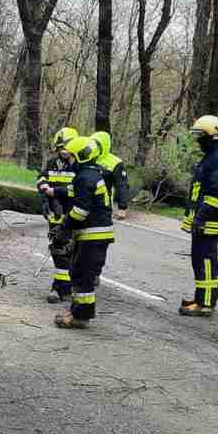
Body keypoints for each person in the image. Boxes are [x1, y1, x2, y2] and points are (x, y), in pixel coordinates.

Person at [42, 136, 114, 330]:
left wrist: (64, 229)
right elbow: (72, 192)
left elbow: (80, 212)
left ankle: (79, 317)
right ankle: (79, 312)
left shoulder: (84, 177)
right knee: (79, 274)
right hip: (95, 234)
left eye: (71, 156)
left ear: (80, 157)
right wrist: (54, 192)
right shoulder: (90, 174)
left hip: (92, 235)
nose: (69, 160)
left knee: (82, 276)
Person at [179, 115, 218, 318]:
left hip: (210, 219)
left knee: (206, 260)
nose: (197, 140)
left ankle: (206, 303)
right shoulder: (213, 155)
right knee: (199, 259)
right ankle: (201, 298)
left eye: (199, 136)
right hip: (203, 219)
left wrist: (201, 217)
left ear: (210, 136)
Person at [37, 126, 77, 303]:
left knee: (71, 250)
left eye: (66, 147)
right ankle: (60, 287)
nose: (63, 151)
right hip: (55, 213)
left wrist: (56, 192)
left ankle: (64, 287)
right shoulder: (53, 163)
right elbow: (42, 178)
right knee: (57, 249)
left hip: (73, 214)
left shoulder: (79, 165)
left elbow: (77, 190)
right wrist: (44, 193)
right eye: (60, 148)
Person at [91, 131, 130, 220]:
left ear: (104, 146)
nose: (94, 147)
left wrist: (122, 207)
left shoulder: (115, 163)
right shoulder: (85, 157)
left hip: (103, 205)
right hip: (82, 201)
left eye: (97, 144)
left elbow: (122, 186)